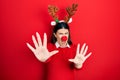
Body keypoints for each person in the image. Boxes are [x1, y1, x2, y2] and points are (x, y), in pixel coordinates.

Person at [26, 4, 92, 80]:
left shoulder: (76, 49)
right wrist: (44, 59)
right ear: (55, 35)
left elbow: (77, 67)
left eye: (66, 33)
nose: (64, 36)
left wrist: (79, 64)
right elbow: (46, 57)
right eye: (60, 33)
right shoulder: (47, 48)